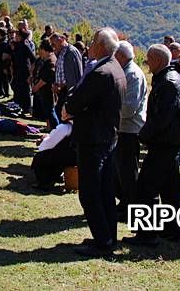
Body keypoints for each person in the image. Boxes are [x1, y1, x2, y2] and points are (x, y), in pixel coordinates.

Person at [62, 28, 126, 259]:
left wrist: (68, 107)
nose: (88, 46)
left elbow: (77, 101)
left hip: (93, 138)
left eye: (92, 42)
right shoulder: (116, 68)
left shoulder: (101, 72)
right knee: (105, 191)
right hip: (107, 137)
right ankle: (107, 236)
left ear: (100, 46)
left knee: (90, 192)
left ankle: (102, 241)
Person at [124, 44, 180, 246]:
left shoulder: (168, 83)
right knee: (170, 188)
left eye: (149, 59)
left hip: (164, 143)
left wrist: (143, 135)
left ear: (158, 61)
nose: (147, 63)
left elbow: (163, 117)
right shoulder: (170, 79)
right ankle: (173, 229)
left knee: (146, 187)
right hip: (169, 141)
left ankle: (147, 234)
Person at [113, 40, 147, 221]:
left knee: (128, 172)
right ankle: (125, 203)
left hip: (129, 130)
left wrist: (109, 107)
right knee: (119, 171)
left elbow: (129, 109)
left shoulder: (133, 75)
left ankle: (130, 208)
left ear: (121, 56)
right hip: (121, 128)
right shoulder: (124, 72)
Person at [31, 120, 76, 190]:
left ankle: (45, 182)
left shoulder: (65, 127)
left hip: (68, 157)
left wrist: (43, 139)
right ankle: (56, 176)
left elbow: (46, 145)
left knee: (40, 157)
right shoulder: (80, 126)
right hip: (77, 156)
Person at [50, 33, 83, 123]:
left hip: (68, 92)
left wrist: (60, 86)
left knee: (64, 116)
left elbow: (72, 77)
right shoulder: (62, 52)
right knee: (59, 113)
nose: (53, 47)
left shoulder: (70, 52)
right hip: (62, 91)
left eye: (54, 44)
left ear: (61, 40)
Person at [31, 40, 57, 128]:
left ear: (43, 49)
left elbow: (46, 77)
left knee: (50, 111)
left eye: (39, 49)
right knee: (47, 111)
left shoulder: (50, 60)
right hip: (43, 90)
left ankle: (55, 129)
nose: (38, 51)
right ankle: (49, 127)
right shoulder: (45, 59)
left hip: (47, 90)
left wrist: (37, 86)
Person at [10, 30, 35, 113]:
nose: (15, 36)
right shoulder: (16, 45)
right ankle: (19, 105)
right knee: (17, 88)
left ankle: (27, 107)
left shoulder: (25, 45)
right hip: (17, 70)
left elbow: (33, 58)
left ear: (21, 37)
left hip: (24, 70)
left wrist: (31, 72)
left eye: (17, 35)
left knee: (25, 89)